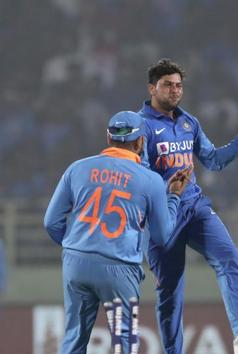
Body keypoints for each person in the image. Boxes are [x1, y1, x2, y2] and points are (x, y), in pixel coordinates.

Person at [138, 58, 238, 354]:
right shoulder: (141, 126)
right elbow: (138, 177)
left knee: (229, 258)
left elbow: (212, 160)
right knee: (169, 294)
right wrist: (167, 189)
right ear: (152, 88)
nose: (175, 91)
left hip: (195, 207)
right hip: (162, 216)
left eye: (179, 86)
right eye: (167, 85)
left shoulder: (189, 122)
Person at [43, 111, 191, 354]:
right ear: (140, 142)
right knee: (124, 343)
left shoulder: (77, 168)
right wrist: (173, 196)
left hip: (76, 262)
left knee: (73, 338)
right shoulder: (150, 180)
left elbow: (51, 222)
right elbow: (163, 236)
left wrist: (77, 245)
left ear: (108, 138)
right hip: (120, 268)